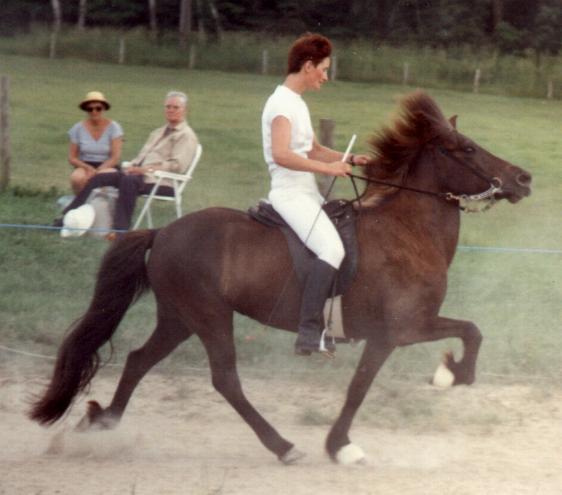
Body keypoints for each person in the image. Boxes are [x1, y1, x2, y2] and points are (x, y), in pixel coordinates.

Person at [261, 33, 369, 356]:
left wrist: (348, 159)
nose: (326, 76)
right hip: (289, 193)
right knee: (331, 249)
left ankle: (333, 327)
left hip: (306, 193)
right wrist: (329, 170)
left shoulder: (297, 103)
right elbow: (281, 154)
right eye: (323, 69)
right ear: (308, 66)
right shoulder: (280, 104)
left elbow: (312, 148)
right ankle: (308, 333)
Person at [55, 91, 199, 239]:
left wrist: (144, 170)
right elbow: (142, 156)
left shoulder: (186, 135)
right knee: (99, 177)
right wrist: (131, 166)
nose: (171, 110)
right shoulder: (158, 132)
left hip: (162, 181)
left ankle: (120, 233)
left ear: (185, 110)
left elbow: (177, 165)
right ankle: (66, 218)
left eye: (176, 107)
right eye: (168, 107)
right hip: (140, 175)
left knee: (128, 181)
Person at [68, 91, 123, 194]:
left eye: (98, 108)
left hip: (107, 165)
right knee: (77, 178)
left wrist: (97, 171)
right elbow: (72, 157)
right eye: (90, 109)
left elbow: (115, 157)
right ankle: (80, 204)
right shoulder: (77, 128)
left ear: (104, 109)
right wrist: (88, 168)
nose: (94, 112)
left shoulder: (114, 127)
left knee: (104, 177)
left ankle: (103, 207)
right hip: (85, 164)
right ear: (86, 110)